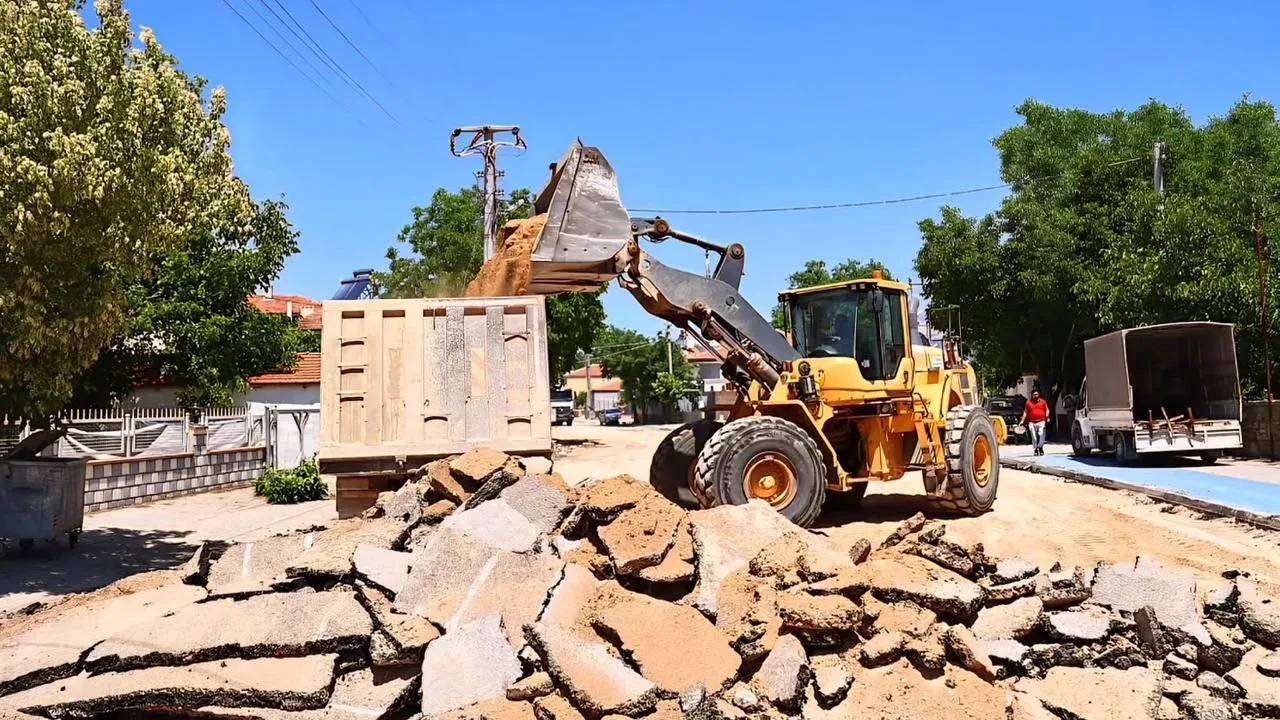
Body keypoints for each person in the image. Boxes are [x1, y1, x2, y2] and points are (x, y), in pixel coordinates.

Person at [1021, 389, 1051, 456]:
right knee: (1034, 437)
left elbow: (1047, 410)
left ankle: (1040, 447)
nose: (1036, 396)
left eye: (1037, 394)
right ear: (1032, 395)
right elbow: (1025, 412)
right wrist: (1022, 420)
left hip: (1041, 421)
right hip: (1031, 422)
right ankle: (1035, 450)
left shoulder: (1043, 402)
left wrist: (1047, 416)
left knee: (1041, 434)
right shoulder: (1028, 403)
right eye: (1034, 395)